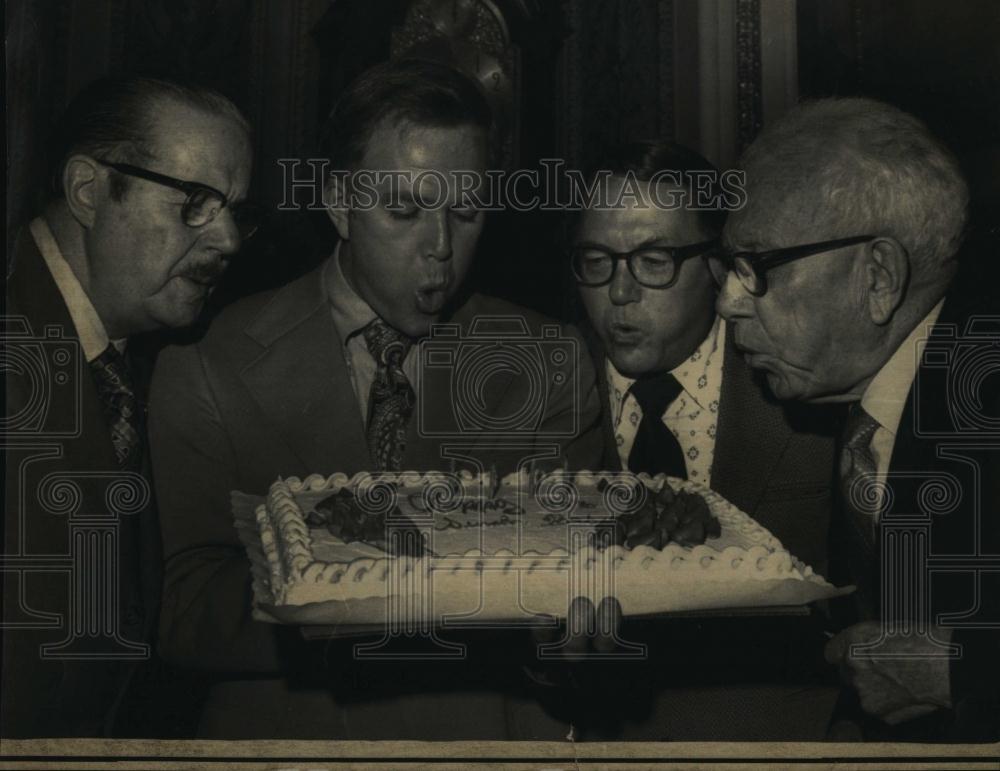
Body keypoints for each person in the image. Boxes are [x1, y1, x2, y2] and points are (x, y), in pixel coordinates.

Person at [147, 58, 603, 739]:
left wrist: (568, 643)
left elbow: (575, 603)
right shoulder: (208, 359)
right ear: (338, 203)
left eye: (467, 210)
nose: (441, 248)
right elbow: (184, 612)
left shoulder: (551, 360)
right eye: (404, 209)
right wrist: (360, 593)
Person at [529, 140, 842, 740]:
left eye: (653, 261)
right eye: (597, 260)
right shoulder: (536, 395)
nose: (619, 293)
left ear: (718, 266)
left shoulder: (806, 392)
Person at [714, 97, 999, 741]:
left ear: (877, 277)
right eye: (728, 268)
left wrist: (959, 672)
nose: (729, 302)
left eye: (757, 266)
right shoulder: (855, 397)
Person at [2, 75, 254, 736]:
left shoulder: (136, 360)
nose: (228, 238)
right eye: (195, 201)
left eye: (234, 209)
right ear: (89, 190)